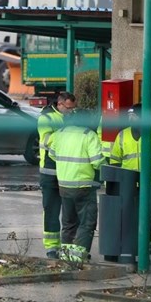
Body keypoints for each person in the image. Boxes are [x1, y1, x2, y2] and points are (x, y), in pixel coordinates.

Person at [47, 109, 102, 263]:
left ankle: (66, 255)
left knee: (68, 222)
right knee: (87, 222)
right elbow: (97, 161)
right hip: (83, 186)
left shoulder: (60, 133)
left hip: (64, 185)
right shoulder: (89, 135)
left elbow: (52, 154)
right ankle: (77, 258)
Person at [110, 103, 151, 254]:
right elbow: (115, 161)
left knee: (150, 218)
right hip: (129, 185)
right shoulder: (122, 135)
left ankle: (144, 247)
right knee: (130, 218)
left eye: (133, 116)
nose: (130, 119)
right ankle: (132, 248)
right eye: (128, 116)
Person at [37, 92, 76, 259]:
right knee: (51, 209)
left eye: (73, 108)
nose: (71, 111)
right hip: (50, 172)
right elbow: (46, 140)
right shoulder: (46, 118)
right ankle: (52, 247)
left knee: (71, 211)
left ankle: (69, 246)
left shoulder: (72, 117)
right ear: (60, 104)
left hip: (69, 171)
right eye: (68, 108)